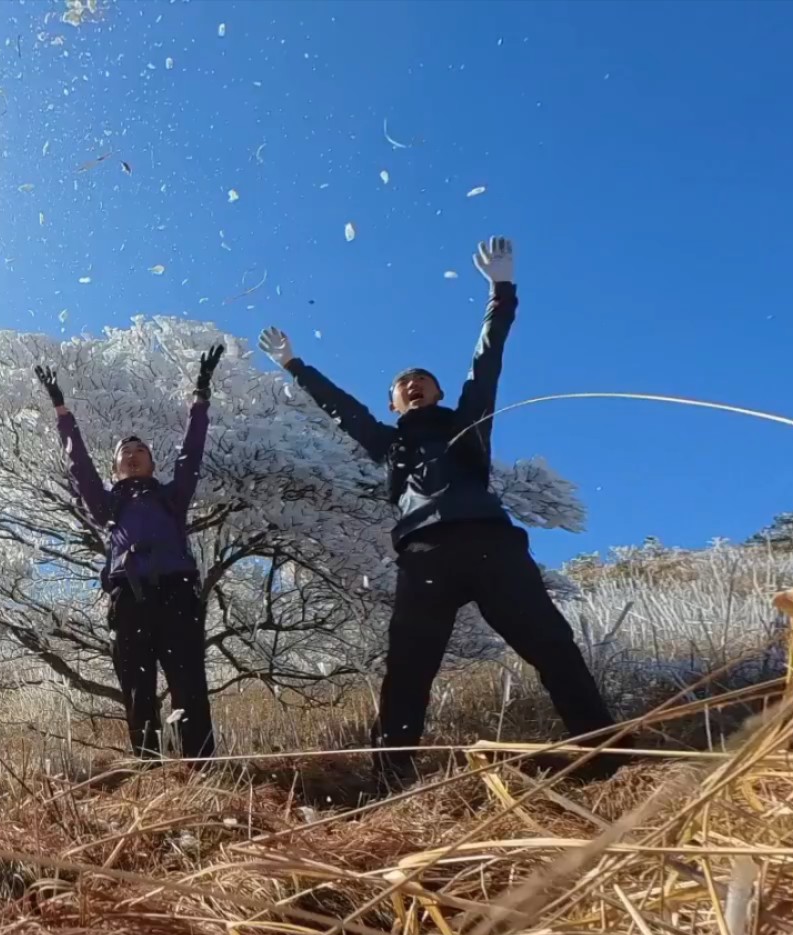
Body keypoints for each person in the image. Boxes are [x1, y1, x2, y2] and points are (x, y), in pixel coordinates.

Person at [260, 236, 618, 790]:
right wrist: (294, 364)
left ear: (439, 392)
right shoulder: (386, 442)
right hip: (424, 556)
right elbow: (340, 409)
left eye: (422, 380)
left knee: (554, 648)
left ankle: (608, 760)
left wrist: (502, 290)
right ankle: (390, 777)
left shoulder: (467, 423)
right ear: (394, 403)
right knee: (407, 670)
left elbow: (487, 360)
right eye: (403, 384)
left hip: (493, 546)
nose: (412, 384)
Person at [33, 344, 224, 762]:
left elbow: (191, 455)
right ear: (117, 467)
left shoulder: (171, 498)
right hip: (130, 598)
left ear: (152, 464)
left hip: (177, 594)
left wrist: (200, 397)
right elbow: (79, 466)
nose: (133, 457)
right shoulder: (108, 505)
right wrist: (62, 412)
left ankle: (203, 766)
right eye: (125, 454)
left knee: (188, 682)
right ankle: (148, 766)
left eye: (140, 453)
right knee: (137, 688)